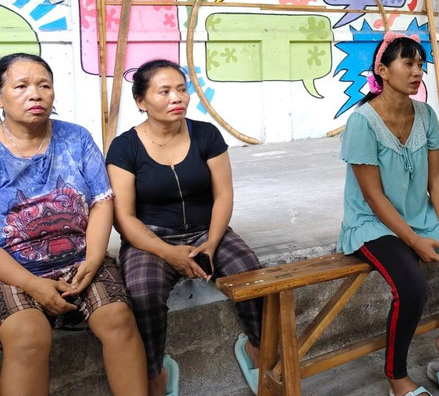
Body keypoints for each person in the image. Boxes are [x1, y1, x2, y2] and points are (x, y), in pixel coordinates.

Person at [338, 32, 439, 396]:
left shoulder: (425, 114)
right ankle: (397, 376)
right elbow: (373, 196)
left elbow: (437, 179)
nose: (417, 72)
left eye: (420, 65)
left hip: (421, 215)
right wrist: (413, 241)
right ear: (382, 70)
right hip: (373, 223)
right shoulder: (362, 122)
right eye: (407, 63)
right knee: (412, 286)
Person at [106, 60, 263, 396]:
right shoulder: (125, 147)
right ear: (141, 101)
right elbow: (125, 218)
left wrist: (211, 243)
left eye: (181, 89)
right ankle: (154, 373)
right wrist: (167, 252)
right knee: (142, 294)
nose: (177, 97)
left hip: (208, 229)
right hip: (149, 236)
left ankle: (257, 348)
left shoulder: (206, 134)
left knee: (250, 274)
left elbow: (223, 195)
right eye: (164, 91)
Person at [0, 53, 147, 396]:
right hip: (13, 267)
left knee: (118, 319)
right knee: (27, 334)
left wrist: (94, 259)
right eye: (21, 86)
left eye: (44, 85)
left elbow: (101, 202)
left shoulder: (76, 138)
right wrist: (32, 285)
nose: (35, 94)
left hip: (79, 257)